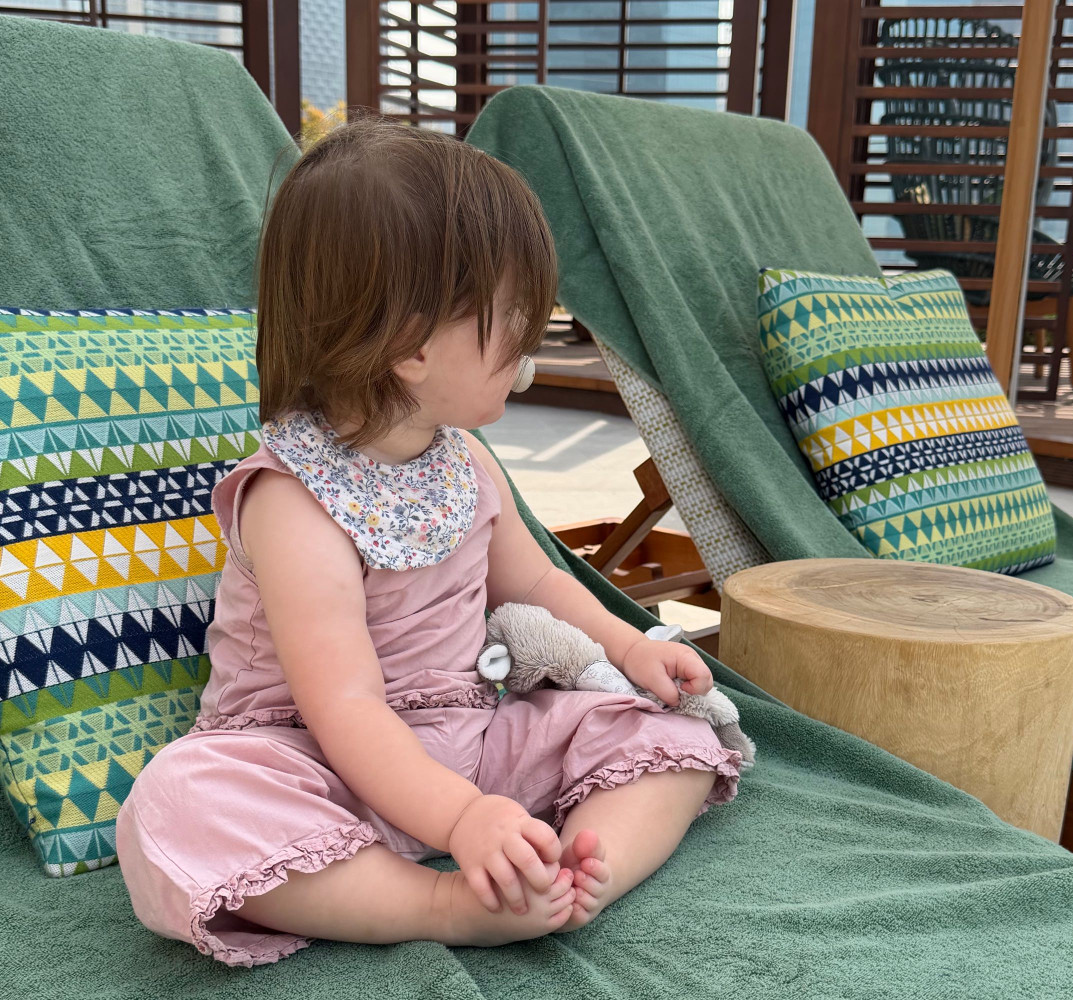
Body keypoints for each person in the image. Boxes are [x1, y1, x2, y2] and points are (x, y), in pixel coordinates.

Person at [115, 117, 742, 967]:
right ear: (411, 347)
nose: (530, 339)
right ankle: (440, 903)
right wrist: (461, 820)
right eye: (513, 316)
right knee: (180, 804)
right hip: (313, 761)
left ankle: (572, 877)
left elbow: (539, 586)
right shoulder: (293, 502)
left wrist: (632, 650)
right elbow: (344, 708)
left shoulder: (466, 462)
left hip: (471, 737)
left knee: (670, 737)